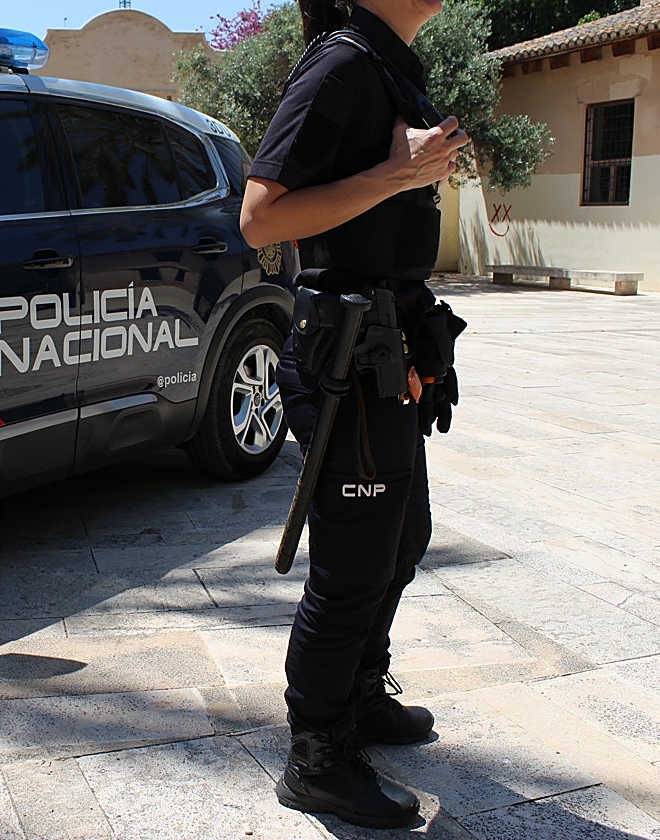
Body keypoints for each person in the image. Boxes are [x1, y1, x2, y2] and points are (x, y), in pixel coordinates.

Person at [240, 0, 469, 829]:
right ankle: (318, 757)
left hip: (390, 345)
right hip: (342, 355)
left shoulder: (389, 64)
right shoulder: (339, 64)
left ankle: (362, 694)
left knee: (403, 538)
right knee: (352, 569)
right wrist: (397, 175)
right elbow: (261, 216)